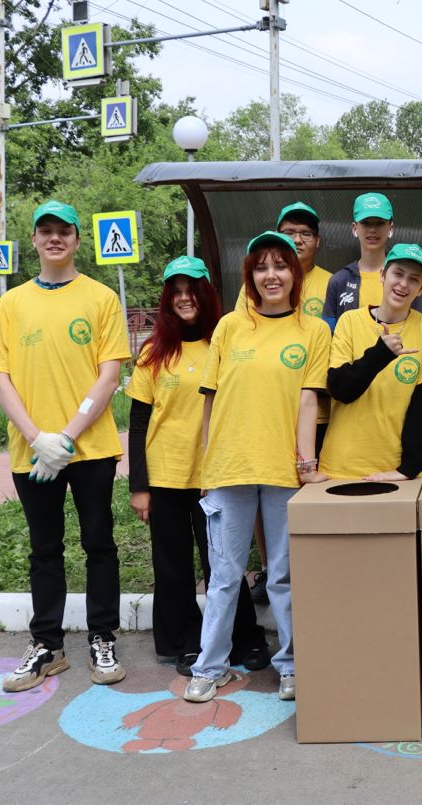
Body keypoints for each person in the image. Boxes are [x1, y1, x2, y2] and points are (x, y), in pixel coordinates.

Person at [0, 200, 130, 692]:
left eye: (64, 231)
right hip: (32, 454)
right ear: (35, 241)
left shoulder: (101, 298)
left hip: (90, 449)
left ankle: (102, 636)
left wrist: (66, 436)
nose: (55, 239)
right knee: (45, 550)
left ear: (78, 240)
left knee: (99, 544)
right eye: (46, 232)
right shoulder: (13, 302)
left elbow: (109, 374)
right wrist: (38, 438)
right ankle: (47, 646)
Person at [185, 231, 330, 704]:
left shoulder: (313, 331)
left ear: (296, 273)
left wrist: (306, 463)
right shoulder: (229, 327)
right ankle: (210, 666)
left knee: (283, 575)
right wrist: (207, 469)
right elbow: (209, 401)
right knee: (225, 576)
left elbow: (309, 400)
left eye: (281, 265)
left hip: (283, 471)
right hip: (229, 470)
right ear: (250, 276)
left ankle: (292, 666)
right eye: (262, 267)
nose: (272, 275)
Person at [127, 256, 268, 677]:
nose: (185, 299)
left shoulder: (225, 341)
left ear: (206, 294)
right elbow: (138, 422)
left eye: (192, 290)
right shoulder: (154, 351)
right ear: (168, 299)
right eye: (177, 292)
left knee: (223, 564)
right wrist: (140, 485)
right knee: (172, 566)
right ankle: (184, 642)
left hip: (216, 475)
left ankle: (244, 639)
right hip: (166, 475)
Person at [236, 201, 331, 606]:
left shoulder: (332, 282)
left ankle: (307, 573)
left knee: (305, 498)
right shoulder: (251, 289)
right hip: (269, 414)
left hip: (321, 411)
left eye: (305, 233)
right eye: (289, 231)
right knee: (265, 498)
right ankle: (271, 569)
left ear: (316, 241)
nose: (298, 239)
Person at [318, 244, 422, 480]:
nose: (403, 284)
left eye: (413, 279)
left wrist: (407, 469)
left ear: (421, 289)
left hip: (397, 471)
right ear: (383, 275)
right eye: (398, 274)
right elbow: (340, 389)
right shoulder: (349, 321)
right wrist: (380, 353)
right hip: (340, 466)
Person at [323, 192, 422, 330]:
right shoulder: (339, 281)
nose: (372, 230)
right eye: (365, 223)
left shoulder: (407, 280)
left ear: (391, 228)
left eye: (379, 223)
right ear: (354, 228)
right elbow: (330, 334)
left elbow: (417, 329)